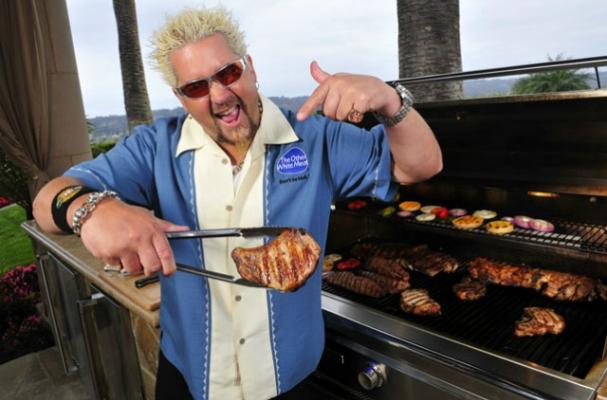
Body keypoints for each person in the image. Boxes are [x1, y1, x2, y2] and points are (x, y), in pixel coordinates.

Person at [32, 6, 442, 400]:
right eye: (196, 87)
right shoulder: (154, 147)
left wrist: (390, 101)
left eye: (228, 73)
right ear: (180, 97)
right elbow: (49, 199)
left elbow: (420, 165)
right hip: (190, 376)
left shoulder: (315, 139)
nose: (220, 95)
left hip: (292, 378)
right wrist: (91, 211)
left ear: (250, 66)